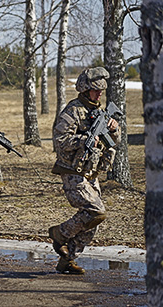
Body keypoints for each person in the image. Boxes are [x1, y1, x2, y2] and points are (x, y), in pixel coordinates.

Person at [49, 67, 120, 274]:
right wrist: (84, 139)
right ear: (85, 89)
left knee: (93, 222)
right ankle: (59, 233)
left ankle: (68, 259)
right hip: (73, 171)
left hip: (91, 172)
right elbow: (59, 140)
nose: (99, 94)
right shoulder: (73, 110)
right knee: (96, 212)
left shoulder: (101, 112)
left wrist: (114, 130)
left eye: (101, 90)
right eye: (95, 90)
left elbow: (114, 142)